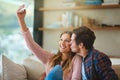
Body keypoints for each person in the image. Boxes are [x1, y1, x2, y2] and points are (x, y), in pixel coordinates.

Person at [16, 5, 82, 80]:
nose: (62, 43)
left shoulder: (76, 59)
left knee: (57, 70)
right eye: (61, 39)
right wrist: (21, 20)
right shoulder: (50, 58)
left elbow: (76, 78)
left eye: (66, 40)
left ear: (72, 43)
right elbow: (31, 45)